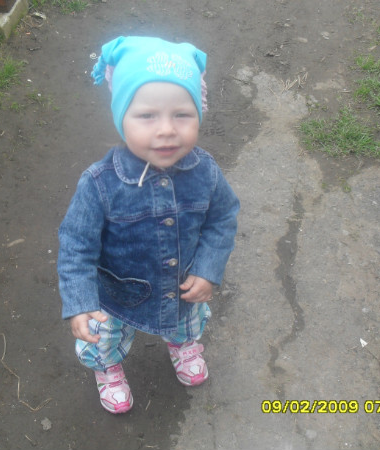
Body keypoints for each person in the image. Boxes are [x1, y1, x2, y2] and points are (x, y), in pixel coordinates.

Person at [57, 36, 240, 414]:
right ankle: (107, 367)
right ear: (121, 117)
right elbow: (76, 244)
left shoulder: (205, 172)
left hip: (182, 286)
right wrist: (80, 302)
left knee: (186, 321)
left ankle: (183, 345)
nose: (167, 129)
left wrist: (208, 268)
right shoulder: (99, 184)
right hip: (115, 296)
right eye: (147, 116)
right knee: (103, 338)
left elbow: (222, 217)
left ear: (200, 114)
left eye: (182, 115)